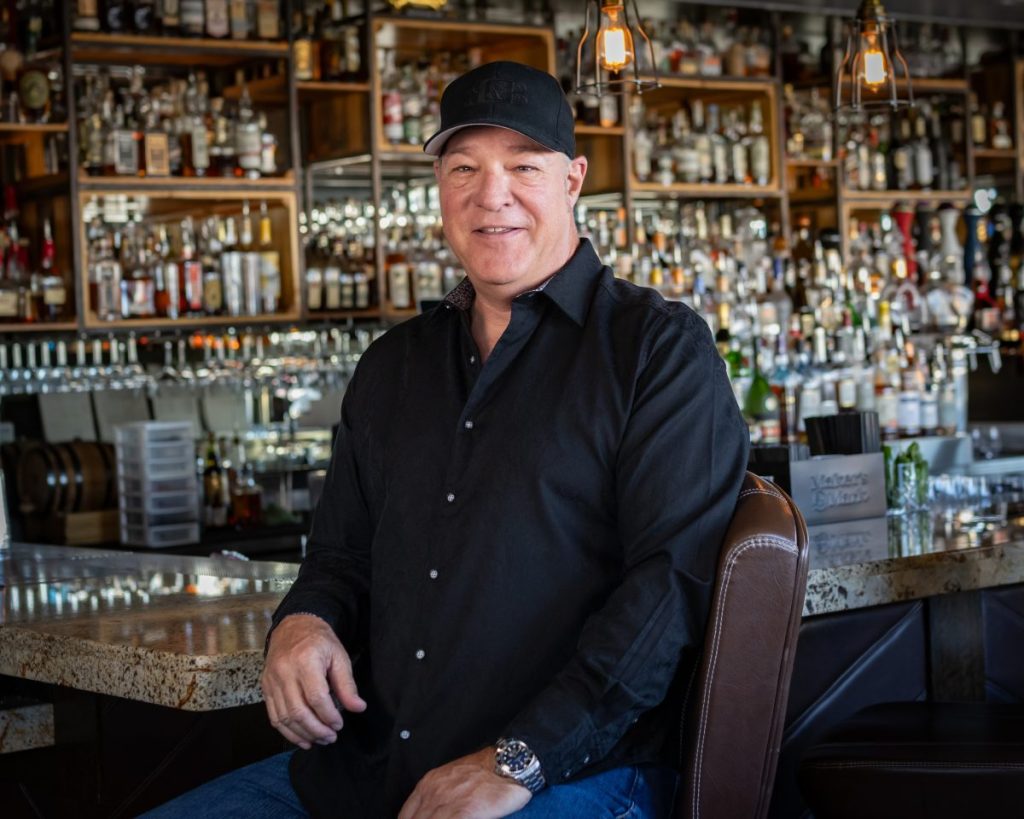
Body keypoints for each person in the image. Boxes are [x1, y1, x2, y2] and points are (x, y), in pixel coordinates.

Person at [144, 60, 749, 819]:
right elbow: (339, 554)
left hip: (570, 773)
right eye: (464, 167)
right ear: (438, 185)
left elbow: (668, 591)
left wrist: (517, 759)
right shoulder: (393, 364)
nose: (491, 195)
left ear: (572, 180)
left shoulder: (657, 350)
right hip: (363, 772)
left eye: (523, 166)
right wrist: (302, 622)